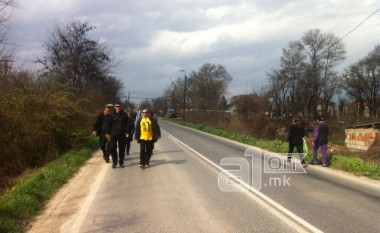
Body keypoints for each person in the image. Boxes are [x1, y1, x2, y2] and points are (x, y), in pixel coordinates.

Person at [107, 102, 129, 168]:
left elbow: (128, 125)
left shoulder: (124, 115)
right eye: (116, 106)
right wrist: (108, 136)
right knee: (112, 148)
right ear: (114, 107)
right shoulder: (111, 115)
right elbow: (108, 126)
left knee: (122, 149)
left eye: (119, 106)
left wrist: (127, 133)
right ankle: (114, 162)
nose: (118, 107)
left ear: (121, 107)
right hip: (113, 134)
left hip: (122, 134)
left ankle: (121, 163)